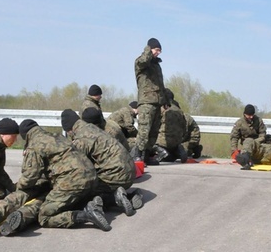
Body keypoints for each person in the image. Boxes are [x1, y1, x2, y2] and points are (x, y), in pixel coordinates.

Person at [16, 119, 111, 231]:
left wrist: (18, 188)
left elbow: (30, 176)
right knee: (70, 201)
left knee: (44, 217)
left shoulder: (34, 145)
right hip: (92, 176)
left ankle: (86, 215)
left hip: (72, 181)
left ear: (25, 136)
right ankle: (104, 200)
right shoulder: (57, 136)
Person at [61, 109, 137, 217]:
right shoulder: (93, 128)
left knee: (80, 195)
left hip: (116, 175)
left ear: (70, 130)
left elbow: (72, 165)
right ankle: (129, 197)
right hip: (131, 171)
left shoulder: (81, 138)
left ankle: (114, 198)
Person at [132, 37, 169, 165]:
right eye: (156, 50)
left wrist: (165, 100)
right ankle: (138, 155)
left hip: (157, 102)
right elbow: (143, 61)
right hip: (146, 102)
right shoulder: (141, 63)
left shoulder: (157, 66)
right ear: (149, 48)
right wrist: (148, 50)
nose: (158, 53)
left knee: (153, 132)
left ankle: (147, 156)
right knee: (144, 130)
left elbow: (161, 85)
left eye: (160, 51)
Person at [156, 89, 188, 163]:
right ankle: (178, 150)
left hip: (163, 141)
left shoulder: (162, 109)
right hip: (177, 141)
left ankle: (162, 151)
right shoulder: (179, 111)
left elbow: (155, 125)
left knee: (147, 141)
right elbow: (184, 127)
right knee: (170, 157)